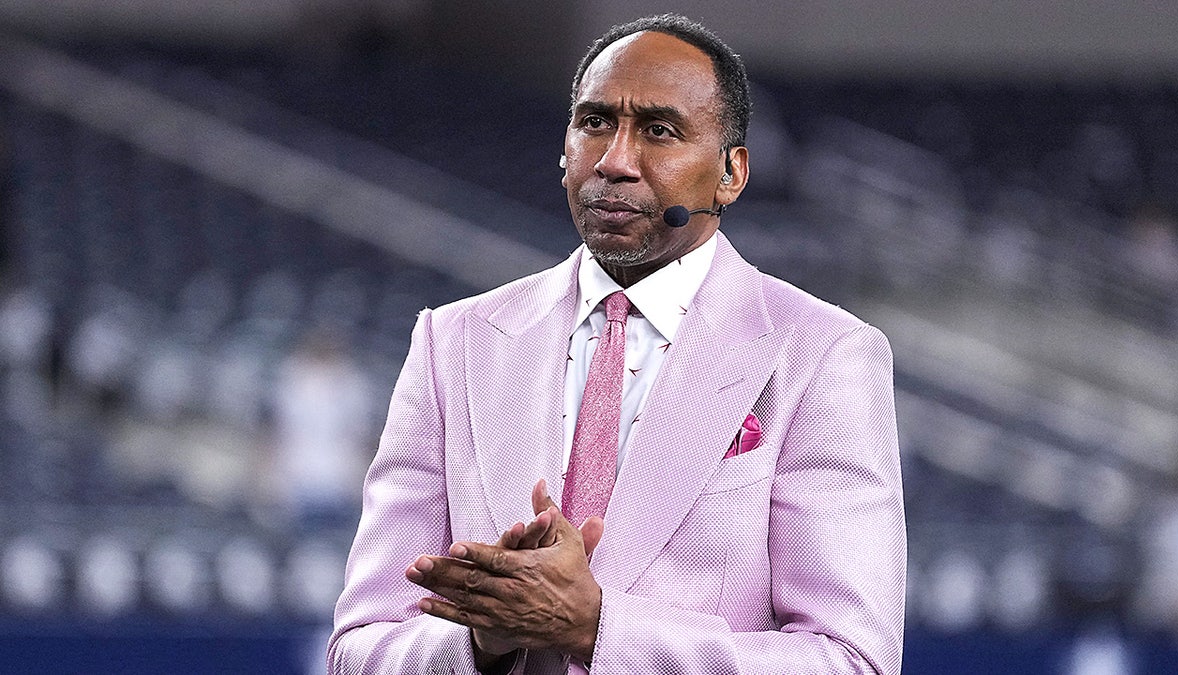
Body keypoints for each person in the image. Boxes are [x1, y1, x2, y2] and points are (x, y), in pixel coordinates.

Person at [328, 13, 905, 675]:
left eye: (659, 130)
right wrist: (480, 642)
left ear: (731, 173)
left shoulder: (824, 356)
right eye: (596, 122)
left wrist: (597, 628)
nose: (615, 161)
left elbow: (851, 660)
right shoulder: (451, 343)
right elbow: (359, 649)